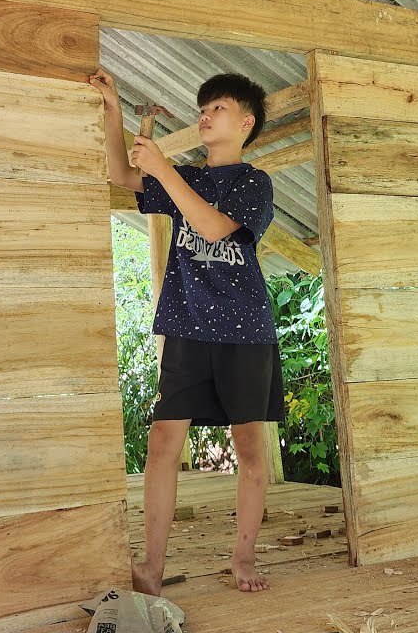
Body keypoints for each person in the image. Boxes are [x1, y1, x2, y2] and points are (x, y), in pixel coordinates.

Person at [90, 68, 284, 595]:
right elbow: (120, 174)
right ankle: (151, 566)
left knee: (249, 451)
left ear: (245, 122)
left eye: (217, 108)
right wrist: (114, 109)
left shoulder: (254, 183)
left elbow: (216, 227)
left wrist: (162, 169)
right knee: (161, 441)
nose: (205, 114)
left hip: (246, 333)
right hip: (186, 326)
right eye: (203, 107)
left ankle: (242, 558)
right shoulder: (190, 178)